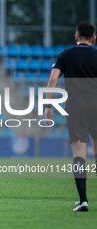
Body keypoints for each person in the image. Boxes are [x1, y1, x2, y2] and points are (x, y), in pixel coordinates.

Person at [44, 21, 97, 211]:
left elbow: (53, 79)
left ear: (76, 37)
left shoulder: (65, 55)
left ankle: (83, 200)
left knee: (79, 154)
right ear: (94, 38)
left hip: (75, 105)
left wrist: (48, 106)